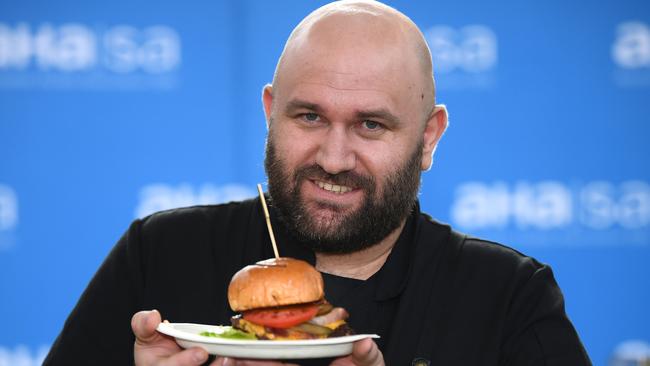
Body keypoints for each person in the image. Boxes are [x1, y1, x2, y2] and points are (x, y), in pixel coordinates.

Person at [44, 1, 592, 365]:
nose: (333, 158)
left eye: (370, 125)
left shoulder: (506, 295)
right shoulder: (160, 255)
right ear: (270, 114)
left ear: (428, 139)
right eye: (309, 117)